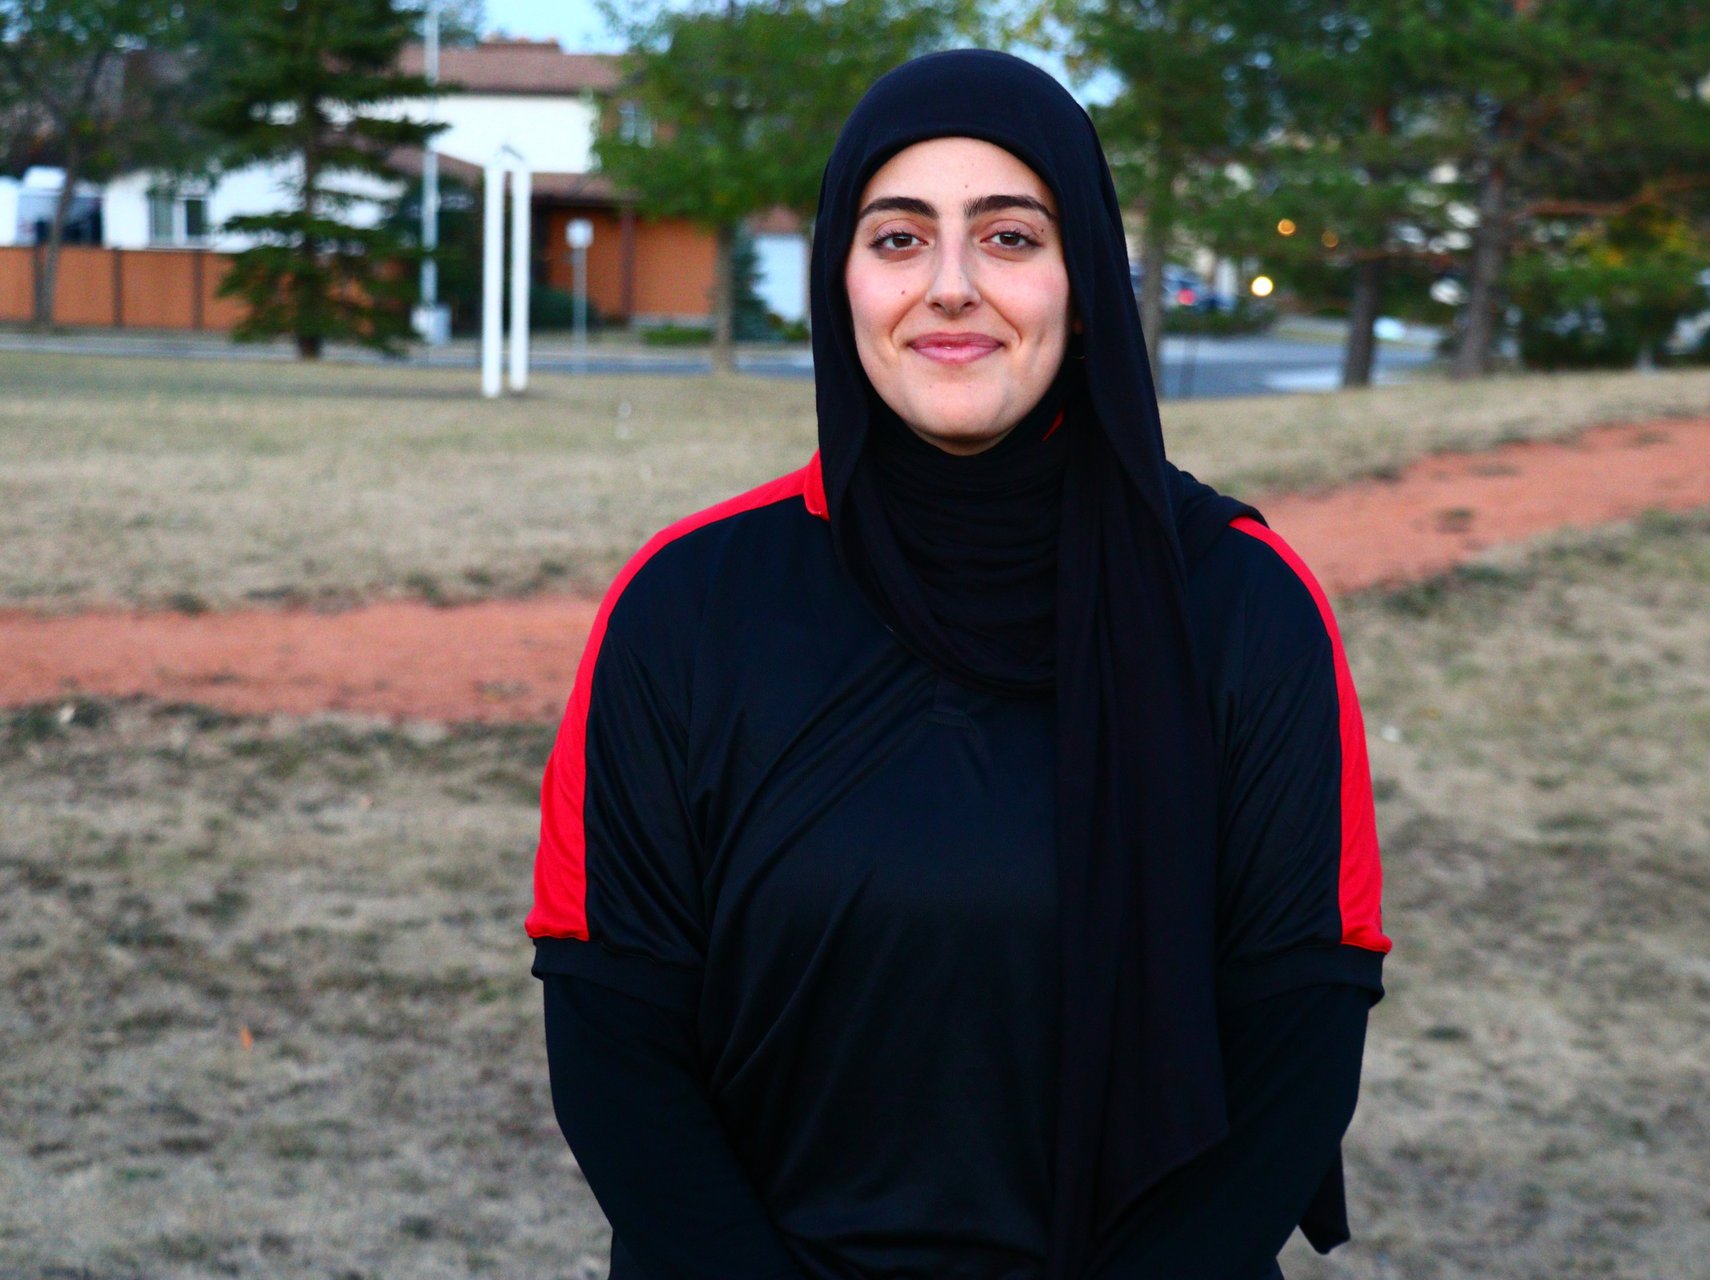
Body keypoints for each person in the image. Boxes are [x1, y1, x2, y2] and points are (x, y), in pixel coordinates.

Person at [526, 48, 1391, 1280]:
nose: (949, 287)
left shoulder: (1242, 602)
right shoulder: (684, 603)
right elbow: (613, 1034)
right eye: (898, 238)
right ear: (839, 280)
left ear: (1084, 282)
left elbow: (1298, 1035)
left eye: (1009, 236)